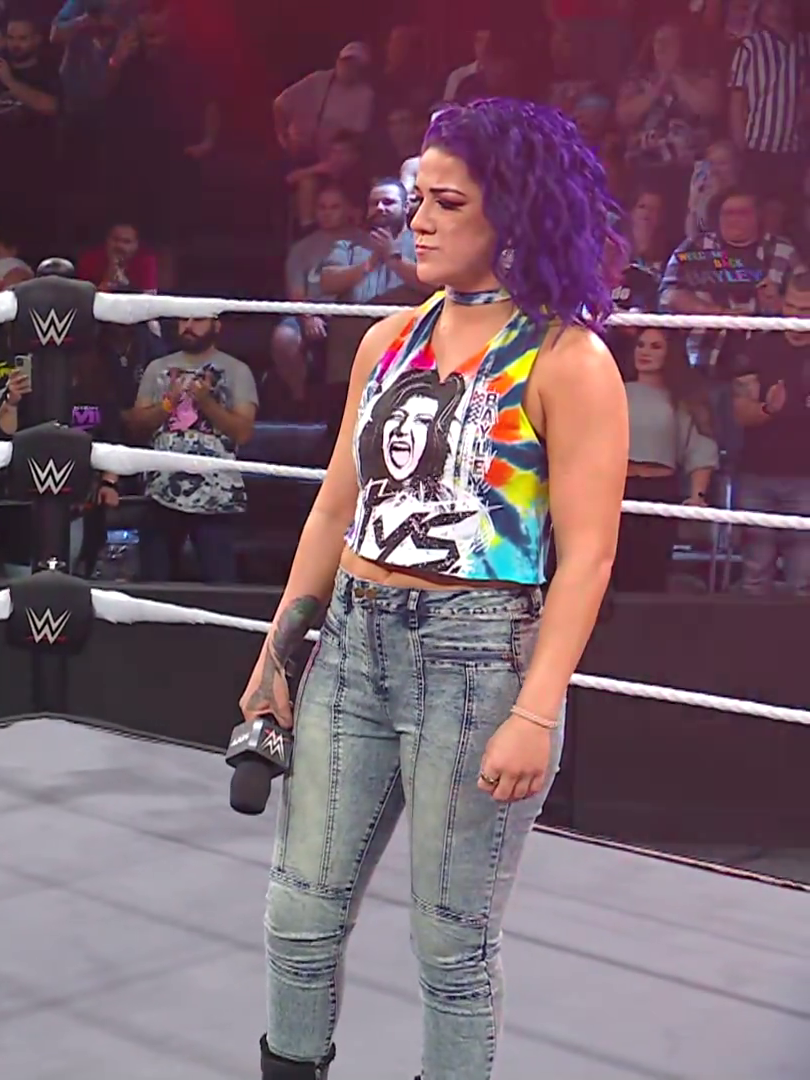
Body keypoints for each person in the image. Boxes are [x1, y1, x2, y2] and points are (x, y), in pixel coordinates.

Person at [244, 98, 628, 1080]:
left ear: (514, 214)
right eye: (420, 198)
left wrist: (535, 711)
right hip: (354, 645)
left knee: (452, 944)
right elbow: (335, 509)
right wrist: (276, 656)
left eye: (447, 203)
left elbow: (587, 555)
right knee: (297, 912)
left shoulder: (568, 358)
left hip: (479, 659)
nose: (418, 220)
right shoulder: (386, 341)